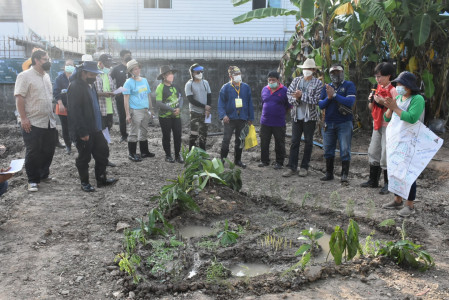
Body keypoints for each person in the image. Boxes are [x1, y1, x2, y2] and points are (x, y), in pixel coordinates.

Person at [67, 61, 118, 192]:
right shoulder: (75, 87)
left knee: (102, 152)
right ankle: (85, 183)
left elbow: (95, 106)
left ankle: (101, 179)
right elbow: (75, 112)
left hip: (95, 127)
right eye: (92, 74)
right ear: (83, 73)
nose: (95, 77)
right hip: (83, 130)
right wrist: (82, 132)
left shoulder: (91, 85)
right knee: (84, 157)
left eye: (96, 74)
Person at [382, 71, 425, 217]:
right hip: (396, 140)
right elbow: (387, 118)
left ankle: (410, 204)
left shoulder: (417, 99)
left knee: (407, 172)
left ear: (409, 86)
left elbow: (412, 118)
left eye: (400, 84)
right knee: (394, 170)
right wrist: (388, 107)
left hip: (409, 141)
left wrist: (394, 108)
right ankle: (397, 199)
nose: (398, 86)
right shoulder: (399, 97)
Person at [14, 49, 56, 192]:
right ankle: (32, 180)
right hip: (33, 121)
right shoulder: (24, 76)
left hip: (49, 121)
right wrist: (24, 118)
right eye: (45, 59)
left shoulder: (46, 76)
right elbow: (19, 98)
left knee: (49, 149)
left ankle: (44, 174)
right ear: (36, 60)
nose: (48, 62)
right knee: (34, 151)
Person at [282, 59, 322, 177]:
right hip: (296, 116)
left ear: (314, 70)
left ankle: (304, 167)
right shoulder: (296, 81)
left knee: (308, 142)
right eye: (305, 69)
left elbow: (316, 100)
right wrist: (297, 99)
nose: (306, 71)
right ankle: (291, 167)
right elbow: (289, 95)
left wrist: (302, 96)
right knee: (294, 141)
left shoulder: (318, 83)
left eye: (309, 69)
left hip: (310, 117)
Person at [361, 62, 397, 194]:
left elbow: (396, 108)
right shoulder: (376, 89)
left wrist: (382, 102)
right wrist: (372, 101)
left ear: (389, 76)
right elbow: (371, 108)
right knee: (373, 150)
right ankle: (373, 180)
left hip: (389, 126)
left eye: (380, 76)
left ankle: (388, 184)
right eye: (376, 76)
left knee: (385, 154)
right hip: (377, 124)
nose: (378, 79)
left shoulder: (393, 90)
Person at [318, 64, 356, 184]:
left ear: (342, 72)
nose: (336, 75)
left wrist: (334, 95)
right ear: (330, 74)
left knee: (345, 149)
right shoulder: (326, 87)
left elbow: (350, 101)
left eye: (338, 72)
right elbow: (320, 105)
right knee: (328, 149)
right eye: (333, 73)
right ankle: (329, 174)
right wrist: (329, 97)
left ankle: (344, 175)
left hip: (344, 123)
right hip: (329, 123)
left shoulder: (349, 85)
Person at [218, 66, 254, 169]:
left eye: (239, 74)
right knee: (226, 140)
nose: (238, 76)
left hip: (242, 118)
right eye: (235, 74)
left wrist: (250, 117)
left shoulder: (246, 87)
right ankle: (222, 160)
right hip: (229, 119)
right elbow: (221, 104)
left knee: (240, 140)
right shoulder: (225, 88)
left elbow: (250, 103)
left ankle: (238, 160)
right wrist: (223, 115)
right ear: (230, 76)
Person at [123, 59, 155, 162]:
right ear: (131, 71)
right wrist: (128, 114)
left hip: (145, 110)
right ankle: (131, 153)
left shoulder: (144, 80)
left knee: (144, 131)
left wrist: (151, 108)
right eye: (135, 69)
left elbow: (148, 95)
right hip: (135, 110)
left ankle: (144, 151)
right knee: (134, 132)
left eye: (138, 68)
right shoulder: (128, 82)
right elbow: (126, 99)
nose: (137, 70)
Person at [258, 71, 289, 170]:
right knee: (264, 142)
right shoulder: (264, 90)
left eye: (273, 80)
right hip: (265, 122)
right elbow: (263, 103)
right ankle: (264, 161)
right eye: (269, 80)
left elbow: (288, 106)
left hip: (279, 123)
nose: (271, 82)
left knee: (279, 143)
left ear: (278, 80)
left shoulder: (284, 90)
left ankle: (279, 162)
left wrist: (280, 113)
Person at [155, 65, 184, 163]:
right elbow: (159, 103)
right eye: (169, 74)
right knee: (166, 136)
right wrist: (172, 109)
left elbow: (181, 98)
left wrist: (179, 108)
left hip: (176, 115)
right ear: (164, 76)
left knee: (177, 135)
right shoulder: (160, 87)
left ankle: (177, 155)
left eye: (172, 73)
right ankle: (168, 155)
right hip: (164, 116)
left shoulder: (176, 86)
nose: (171, 75)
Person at [185, 63, 212, 151]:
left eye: (201, 71)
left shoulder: (205, 82)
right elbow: (191, 100)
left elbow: (209, 96)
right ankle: (191, 154)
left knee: (203, 135)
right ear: (192, 73)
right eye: (197, 72)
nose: (200, 73)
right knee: (194, 134)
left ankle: (202, 154)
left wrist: (208, 108)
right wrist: (204, 106)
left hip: (206, 113)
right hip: (194, 112)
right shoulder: (189, 84)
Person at [53, 59, 75, 154]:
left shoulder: (75, 78)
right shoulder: (59, 78)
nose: (69, 66)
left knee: (74, 126)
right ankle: (68, 146)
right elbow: (56, 92)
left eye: (71, 65)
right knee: (65, 127)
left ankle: (76, 142)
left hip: (74, 106)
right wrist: (60, 103)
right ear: (64, 66)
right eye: (67, 65)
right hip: (62, 106)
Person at [110, 49, 133, 142]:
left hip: (132, 96)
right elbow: (109, 80)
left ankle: (133, 134)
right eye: (127, 55)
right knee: (122, 116)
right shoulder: (116, 69)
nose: (129, 56)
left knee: (133, 116)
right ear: (122, 57)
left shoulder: (132, 68)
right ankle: (123, 135)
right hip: (120, 97)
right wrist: (115, 92)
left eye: (130, 55)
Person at [95, 54, 116, 135]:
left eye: (110, 65)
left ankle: (105, 143)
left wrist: (115, 92)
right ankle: (102, 144)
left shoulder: (108, 75)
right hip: (100, 107)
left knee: (108, 125)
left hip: (109, 106)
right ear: (100, 63)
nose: (109, 67)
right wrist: (104, 94)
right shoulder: (94, 75)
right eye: (107, 65)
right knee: (101, 128)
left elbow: (112, 88)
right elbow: (91, 92)